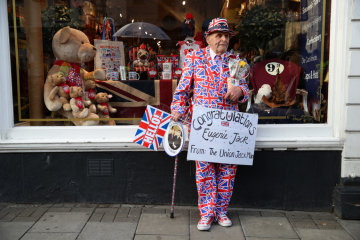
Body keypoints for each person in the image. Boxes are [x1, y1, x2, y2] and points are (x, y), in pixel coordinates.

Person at [170, 18, 249, 231]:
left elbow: (246, 89)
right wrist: (177, 108)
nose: (223, 39)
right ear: (208, 38)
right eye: (218, 35)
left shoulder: (236, 61)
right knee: (204, 169)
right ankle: (206, 213)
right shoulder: (195, 57)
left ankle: (221, 211)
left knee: (227, 169)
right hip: (203, 125)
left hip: (229, 125)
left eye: (226, 35)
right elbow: (183, 90)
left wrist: (240, 91)